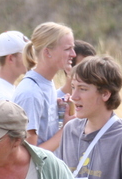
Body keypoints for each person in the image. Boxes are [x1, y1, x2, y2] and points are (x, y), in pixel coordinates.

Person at [13, 22, 76, 152]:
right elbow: (29, 155)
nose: (73, 54)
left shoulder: (47, 83)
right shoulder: (30, 93)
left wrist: (59, 113)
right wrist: (66, 129)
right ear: (47, 52)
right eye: (67, 49)